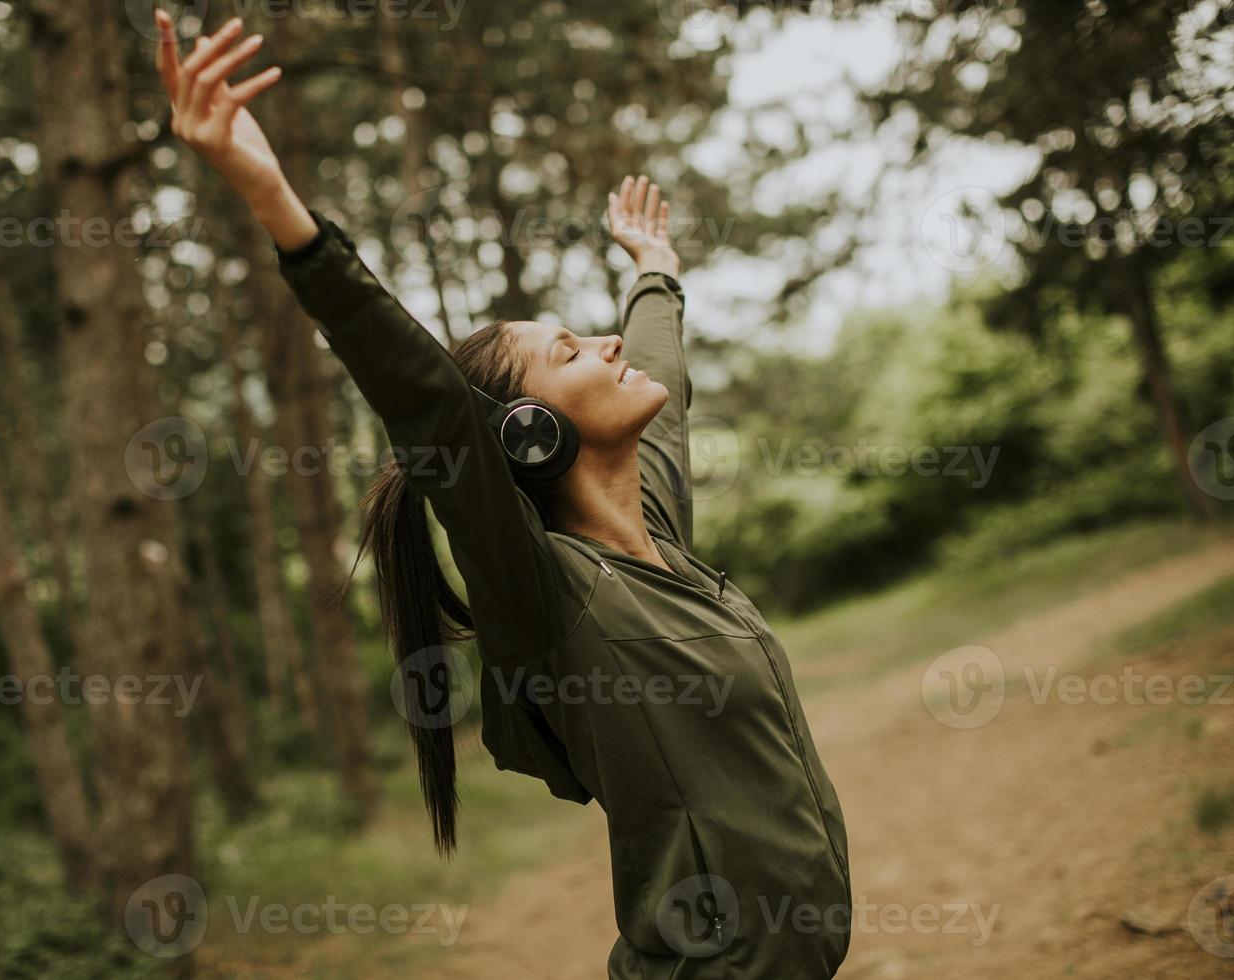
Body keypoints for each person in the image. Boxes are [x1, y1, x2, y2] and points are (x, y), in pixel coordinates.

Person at [155, 13, 851, 978]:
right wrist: (277, 203)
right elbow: (430, 406)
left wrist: (655, 275)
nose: (605, 343)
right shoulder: (549, 594)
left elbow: (662, 380)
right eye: (570, 351)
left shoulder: (653, 537)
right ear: (524, 433)